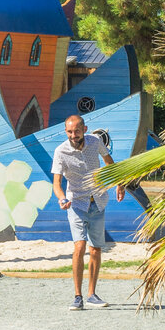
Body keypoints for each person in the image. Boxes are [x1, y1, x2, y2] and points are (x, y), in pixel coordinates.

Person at [52, 114, 124, 311]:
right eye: (69, 132)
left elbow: (109, 162)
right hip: (76, 203)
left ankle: (92, 294)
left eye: (76, 131)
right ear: (65, 131)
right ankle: (78, 296)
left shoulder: (95, 141)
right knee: (80, 246)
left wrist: (119, 183)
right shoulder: (61, 151)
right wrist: (62, 198)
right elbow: (57, 183)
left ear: (84, 129)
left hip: (97, 201)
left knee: (95, 249)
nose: (73, 135)